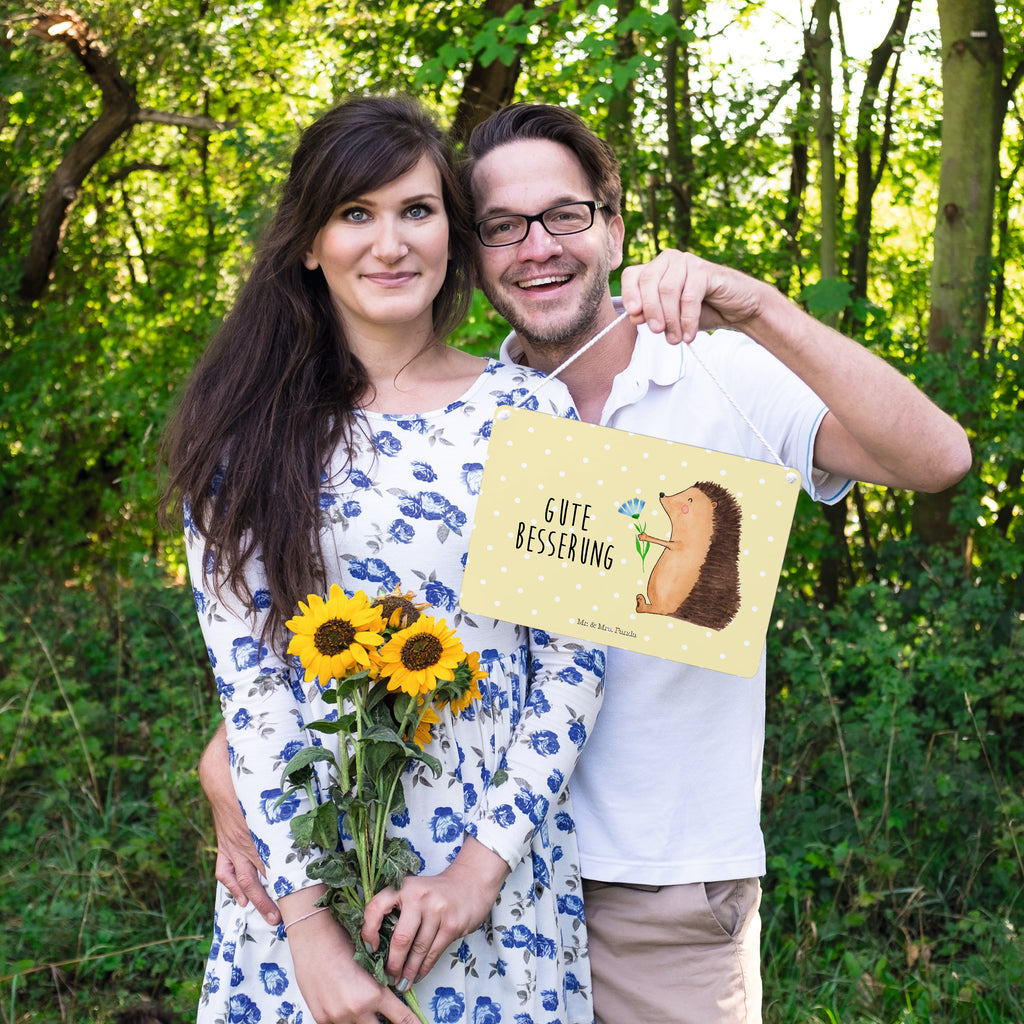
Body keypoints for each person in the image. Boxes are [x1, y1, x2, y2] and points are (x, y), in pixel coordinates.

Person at [202, 102, 972, 1024]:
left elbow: (938, 461)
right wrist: (234, 770)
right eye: (502, 226)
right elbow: (332, 635)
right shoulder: (462, 414)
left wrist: (759, 306)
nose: (537, 247)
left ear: (612, 225)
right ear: (474, 250)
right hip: (429, 876)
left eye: (565, 215)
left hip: (652, 887)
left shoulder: (709, 373)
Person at [163, 96, 608, 1024]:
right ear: (309, 243)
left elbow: (574, 664)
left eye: (417, 210)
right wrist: (311, 937)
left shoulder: (536, 414)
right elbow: (253, 692)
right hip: (302, 886)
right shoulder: (243, 438)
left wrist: (478, 874)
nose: (391, 243)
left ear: (452, 230)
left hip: (493, 888)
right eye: (355, 214)